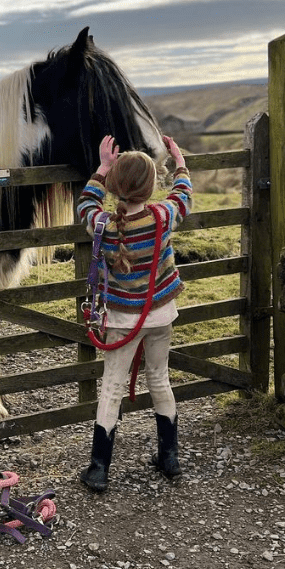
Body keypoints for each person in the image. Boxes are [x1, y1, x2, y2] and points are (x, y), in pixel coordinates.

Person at [77, 134, 192, 492]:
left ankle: (99, 468)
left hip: (123, 320)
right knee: (160, 378)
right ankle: (169, 458)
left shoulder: (102, 225)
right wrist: (180, 163)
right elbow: (183, 195)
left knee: (111, 387)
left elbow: (85, 203)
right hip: (160, 314)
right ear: (152, 186)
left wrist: (102, 168)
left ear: (115, 187)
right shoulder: (162, 215)